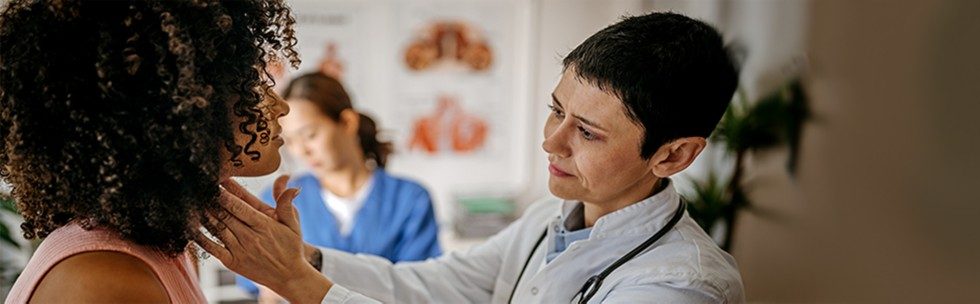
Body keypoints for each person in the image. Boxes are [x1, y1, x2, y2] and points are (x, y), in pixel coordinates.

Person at [201, 12, 744, 303]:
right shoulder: (545, 220)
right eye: (556, 111)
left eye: (588, 133)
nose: (551, 142)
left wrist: (301, 286)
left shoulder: (679, 286)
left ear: (673, 156)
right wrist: (309, 261)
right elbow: (438, 286)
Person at [0, 0, 298, 303]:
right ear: (180, 109)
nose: (280, 107)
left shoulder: (157, 248)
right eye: (252, 85)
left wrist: (294, 274)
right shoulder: (109, 279)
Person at [237, 72, 443, 301]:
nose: (302, 151)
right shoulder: (280, 199)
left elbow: (419, 287)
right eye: (291, 141)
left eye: (310, 135)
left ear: (347, 122)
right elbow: (260, 284)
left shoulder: (409, 199)